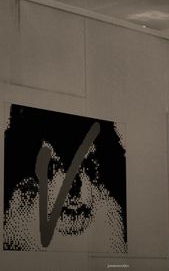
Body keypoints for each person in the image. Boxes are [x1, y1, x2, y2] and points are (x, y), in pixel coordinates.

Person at [3, 104, 127, 253]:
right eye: (52, 167)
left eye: (87, 167)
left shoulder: (112, 218)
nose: (73, 187)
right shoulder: (16, 218)